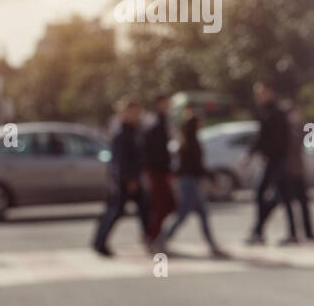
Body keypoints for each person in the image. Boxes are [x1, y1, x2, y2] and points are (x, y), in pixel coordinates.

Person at [156, 107, 227, 258]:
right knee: (184, 214)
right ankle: (161, 241)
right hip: (190, 183)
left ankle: (212, 245)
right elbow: (196, 166)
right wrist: (212, 179)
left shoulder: (187, 141)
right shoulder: (191, 143)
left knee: (202, 214)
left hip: (190, 182)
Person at [92, 99, 149, 257]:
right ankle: (99, 242)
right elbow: (120, 161)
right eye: (134, 112)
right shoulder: (121, 133)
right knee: (115, 211)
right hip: (124, 181)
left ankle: (148, 238)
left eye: (139, 112)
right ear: (125, 113)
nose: (137, 115)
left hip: (131, 179)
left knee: (144, 208)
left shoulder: (135, 131)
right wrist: (129, 179)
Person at [245, 81, 292, 245]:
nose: (258, 96)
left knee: (269, 194)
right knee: (282, 197)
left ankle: (258, 231)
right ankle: (260, 231)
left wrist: (255, 154)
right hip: (273, 159)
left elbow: (268, 138)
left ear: (270, 92)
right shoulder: (267, 111)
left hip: (276, 160)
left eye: (261, 92)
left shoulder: (275, 112)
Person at [280, 100, 314, 244]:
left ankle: (308, 233)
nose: (295, 116)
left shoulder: (298, 128)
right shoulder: (284, 131)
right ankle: (292, 234)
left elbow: (309, 141)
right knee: (287, 204)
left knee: (303, 203)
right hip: (287, 172)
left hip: (298, 171)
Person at [142, 94, 176, 247]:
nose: (168, 106)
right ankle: (153, 237)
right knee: (161, 205)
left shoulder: (161, 120)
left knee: (166, 205)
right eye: (165, 103)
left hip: (160, 169)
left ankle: (154, 235)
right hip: (157, 170)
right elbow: (155, 149)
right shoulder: (155, 122)